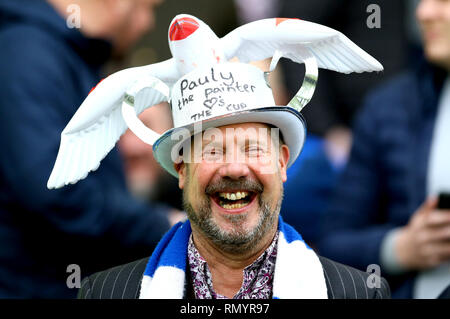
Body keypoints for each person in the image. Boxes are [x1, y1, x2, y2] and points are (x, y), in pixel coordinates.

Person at [51, 14, 390, 299]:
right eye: (213, 150)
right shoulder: (106, 293)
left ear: (282, 162)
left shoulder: (358, 293)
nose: (234, 168)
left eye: (253, 148)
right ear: (182, 169)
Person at [0, 0, 179, 298]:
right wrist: (160, 224)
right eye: (147, 7)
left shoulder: (61, 54)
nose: (147, 23)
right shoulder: (28, 52)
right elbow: (54, 189)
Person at [317, 0, 450, 298]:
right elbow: (333, 243)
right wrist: (399, 248)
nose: (423, 12)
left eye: (442, 1)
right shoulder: (388, 108)